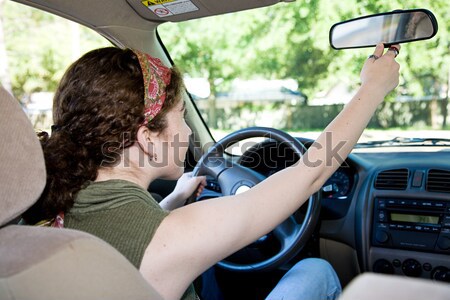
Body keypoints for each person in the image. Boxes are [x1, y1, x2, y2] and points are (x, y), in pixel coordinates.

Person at [25, 43, 400, 299]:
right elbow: (312, 173)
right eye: (181, 118)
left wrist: (172, 201)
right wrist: (373, 87)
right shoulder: (169, 238)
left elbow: (130, 235)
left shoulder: (47, 203)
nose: (188, 132)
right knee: (317, 272)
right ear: (147, 139)